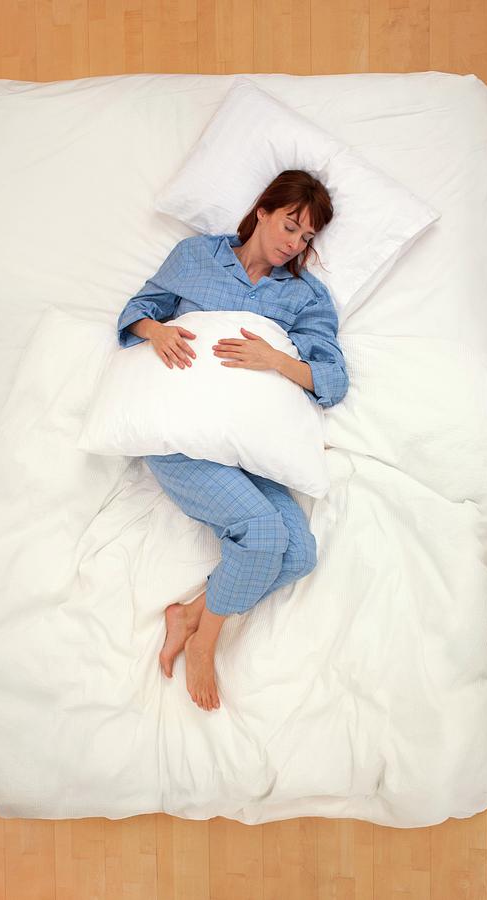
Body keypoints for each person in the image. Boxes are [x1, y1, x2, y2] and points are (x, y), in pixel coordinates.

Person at [117, 169, 349, 712]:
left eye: (307, 237)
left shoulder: (305, 296)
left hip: (251, 447)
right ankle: (206, 643)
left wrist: (277, 360)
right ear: (263, 210)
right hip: (183, 438)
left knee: (300, 556)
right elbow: (136, 312)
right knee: (267, 535)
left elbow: (332, 382)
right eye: (290, 225)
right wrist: (159, 331)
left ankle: (192, 613)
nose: (294, 243)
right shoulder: (196, 256)